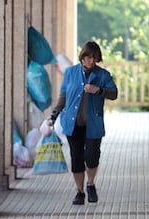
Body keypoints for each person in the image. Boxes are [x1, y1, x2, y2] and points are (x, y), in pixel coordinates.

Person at [48, 41, 118, 205]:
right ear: (83, 57)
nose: (91, 61)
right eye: (89, 57)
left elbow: (114, 94)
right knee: (76, 158)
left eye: (95, 58)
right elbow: (63, 97)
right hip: (73, 124)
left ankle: (91, 184)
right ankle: (79, 192)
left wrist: (98, 90)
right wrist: (53, 116)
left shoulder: (103, 75)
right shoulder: (71, 73)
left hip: (93, 123)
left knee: (92, 157)